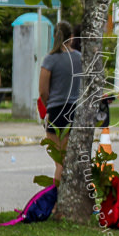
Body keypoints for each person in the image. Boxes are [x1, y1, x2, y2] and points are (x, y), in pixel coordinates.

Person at [39, 21, 83, 183]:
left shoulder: (50, 59)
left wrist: (48, 105)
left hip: (57, 111)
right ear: (71, 37)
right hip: (75, 110)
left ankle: (57, 198)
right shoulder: (79, 58)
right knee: (68, 159)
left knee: (60, 161)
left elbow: (43, 90)